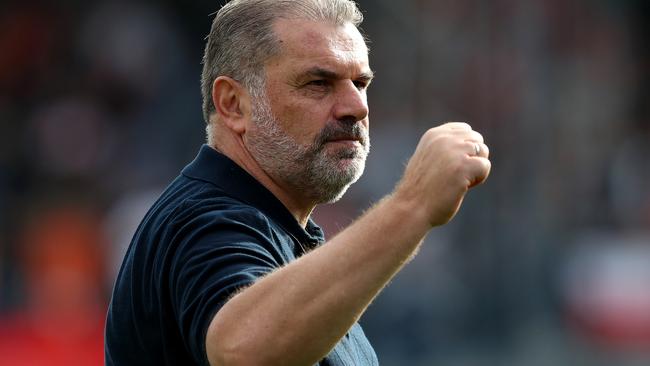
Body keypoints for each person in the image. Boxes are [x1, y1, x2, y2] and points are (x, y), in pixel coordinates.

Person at [104, 0, 491, 365]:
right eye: (318, 83)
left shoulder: (279, 237)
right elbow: (242, 349)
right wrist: (414, 204)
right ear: (234, 104)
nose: (356, 107)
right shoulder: (207, 221)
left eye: (360, 82)